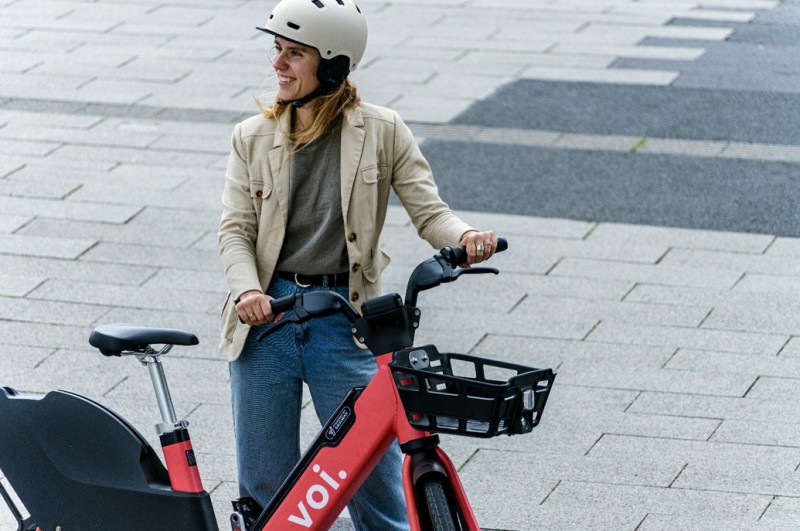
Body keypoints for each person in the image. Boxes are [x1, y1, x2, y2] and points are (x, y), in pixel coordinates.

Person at [217, 0, 497, 528]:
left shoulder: (383, 130)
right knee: (267, 494)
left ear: (333, 66)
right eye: (276, 49)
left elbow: (429, 211)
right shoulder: (250, 137)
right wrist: (246, 292)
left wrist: (467, 237)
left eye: (294, 53)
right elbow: (236, 230)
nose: (277, 63)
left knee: (375, 485)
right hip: (266, 316)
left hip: (342, 319)